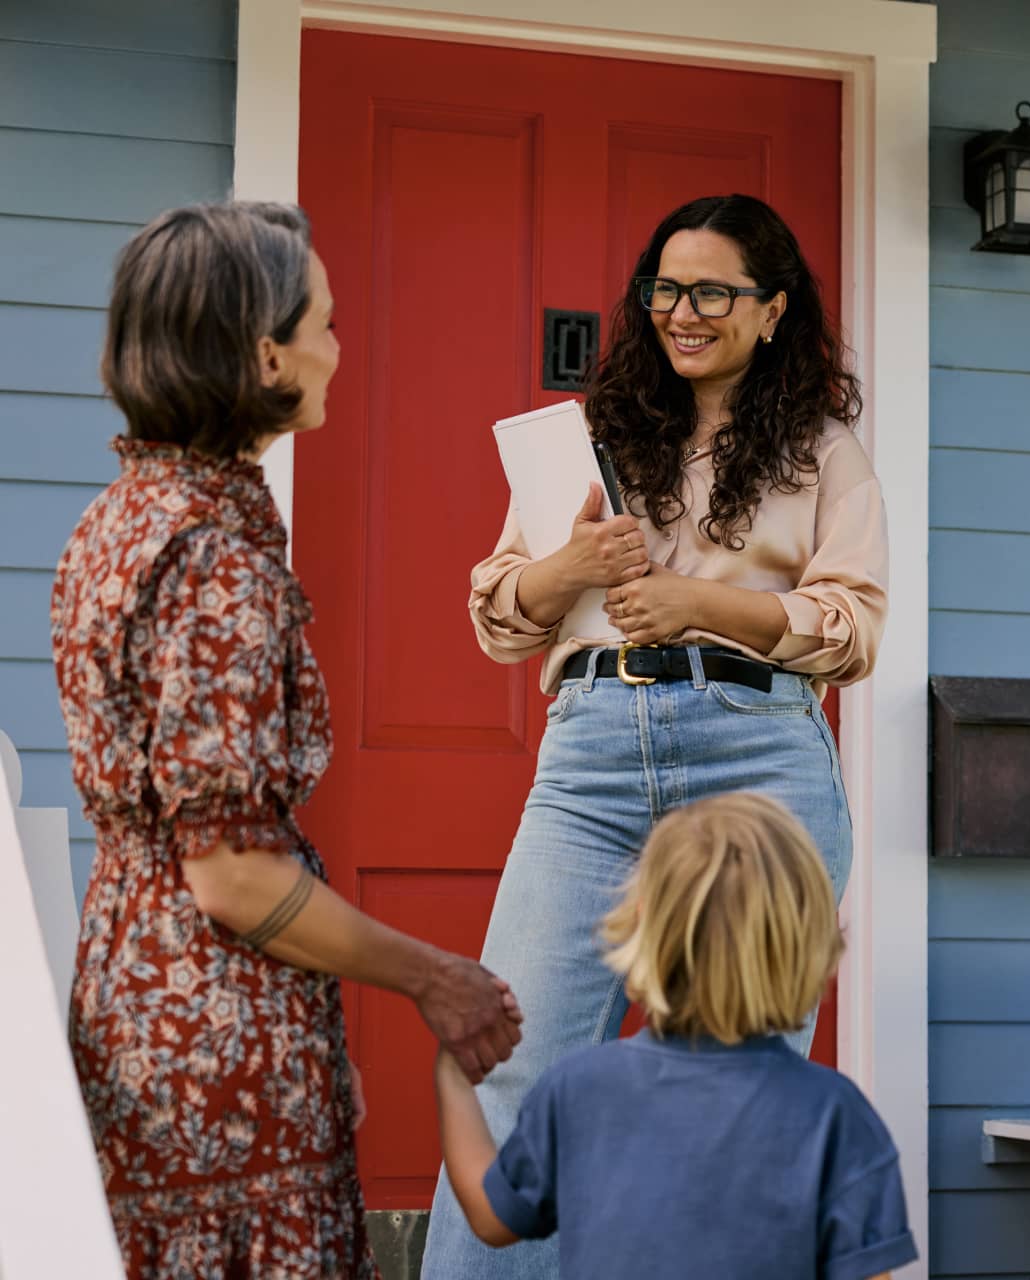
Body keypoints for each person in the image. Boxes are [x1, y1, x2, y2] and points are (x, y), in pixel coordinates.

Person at [50, 202, 524, 1278]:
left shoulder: (114, 520)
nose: (337, 346)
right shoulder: (216, 560)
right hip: (216, 1033)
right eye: (327, 321)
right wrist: (435, 976)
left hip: (128, 984)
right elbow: (233, 876)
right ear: (268, 353)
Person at [422, 193, 888, 1277]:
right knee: (514, 1060)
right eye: (666, 289)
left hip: (756, 757)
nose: (684, 311)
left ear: (772, 310)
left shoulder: (824, 453)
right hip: (588, 757)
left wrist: (697, 604)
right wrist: (567, 570)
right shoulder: (587, 437)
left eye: (713, 291)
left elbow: (853, 626)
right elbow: (499, 613)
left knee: (742, 1094)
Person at [432, 791, 918, 1279]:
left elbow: (493, 1217)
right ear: (805, 945)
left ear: (643, 924)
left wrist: (455, 1079)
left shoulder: (580, 1090)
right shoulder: (836, 1114)